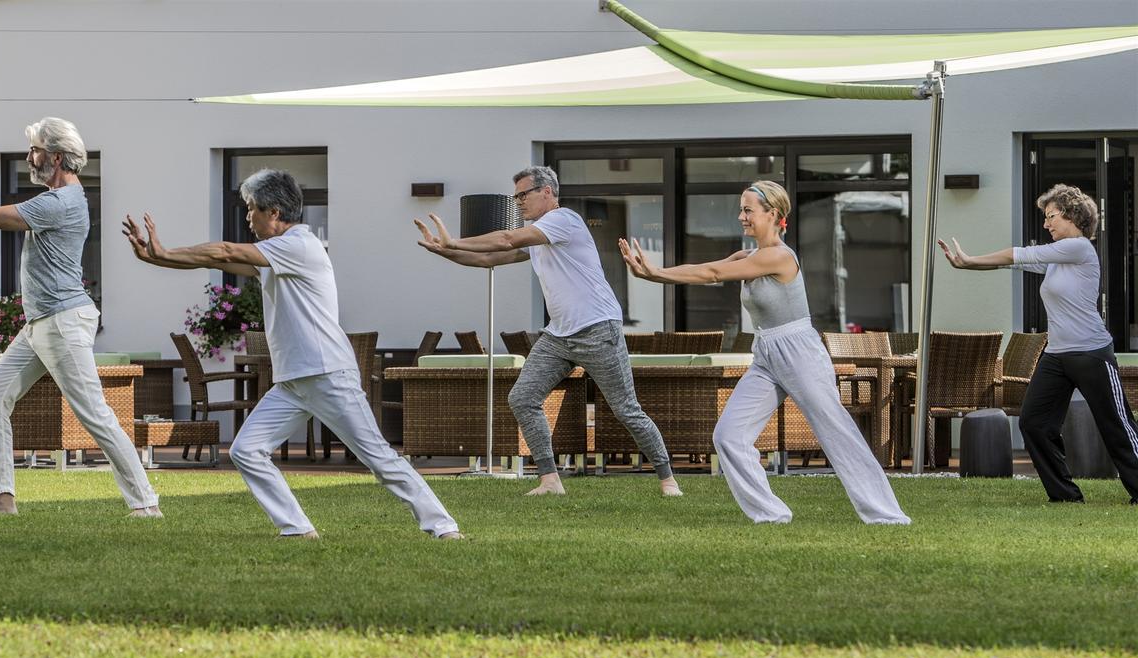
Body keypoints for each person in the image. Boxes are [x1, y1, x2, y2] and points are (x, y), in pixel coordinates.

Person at [124, 168, 462, 539]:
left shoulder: (299, 245)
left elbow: (223, 250)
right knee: (246, 451)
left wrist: (167, 250)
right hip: (293, 383)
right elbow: (218, 262)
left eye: (251, 209)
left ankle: (444, 528)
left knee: (380, 460)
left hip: (328, 374)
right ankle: (297, 529)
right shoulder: (277, 254)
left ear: (273, 212)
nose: (247, 217)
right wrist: (155, 258)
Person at [0, 117, 162, 518]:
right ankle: (2, 501)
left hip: (63, 322)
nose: (29, 157)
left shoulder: (60, 202)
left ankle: (146, 504)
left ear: (55, 157)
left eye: (35, 150)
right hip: (41, 323)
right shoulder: (62, 199)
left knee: (95, 414)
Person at [619, 180, 910, 525]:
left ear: (773, 214)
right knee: (729, 436)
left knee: (837, 433)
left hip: (799, 351)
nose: (741, 216)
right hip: (767, 352)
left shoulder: (778, 257)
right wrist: (652, 275)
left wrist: (655, 271)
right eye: (740, 209)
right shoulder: (749, 255)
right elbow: (709, 271)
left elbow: (713, 272)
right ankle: (770, 514)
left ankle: (887, 516)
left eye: (748, 210)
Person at [415, 166, 681, 497]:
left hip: (598, 329)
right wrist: (446, 251)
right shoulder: (540, 236)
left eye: (522, 195)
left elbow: (506, 238)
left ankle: (668, 479)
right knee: (523, 398)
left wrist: (454, 240)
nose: (518, 203)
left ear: (547, 192)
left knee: (626, 408)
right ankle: (550, 480)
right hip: (558, 336)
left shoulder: (564, 220)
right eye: (515, 197)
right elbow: (490, 259)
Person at [939, 183, 1138, 504]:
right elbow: (1013, 262)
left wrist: (970, 258)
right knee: (1034, 423)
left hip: (1091, 352)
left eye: (1051, 216)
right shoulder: (1058, 257)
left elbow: (1019, 253)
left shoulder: (1079, 248)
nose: (1046, 224)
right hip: (1057, 355)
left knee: (1117, 425)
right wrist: (967, 264)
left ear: (1073, 216)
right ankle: (1065, 496)